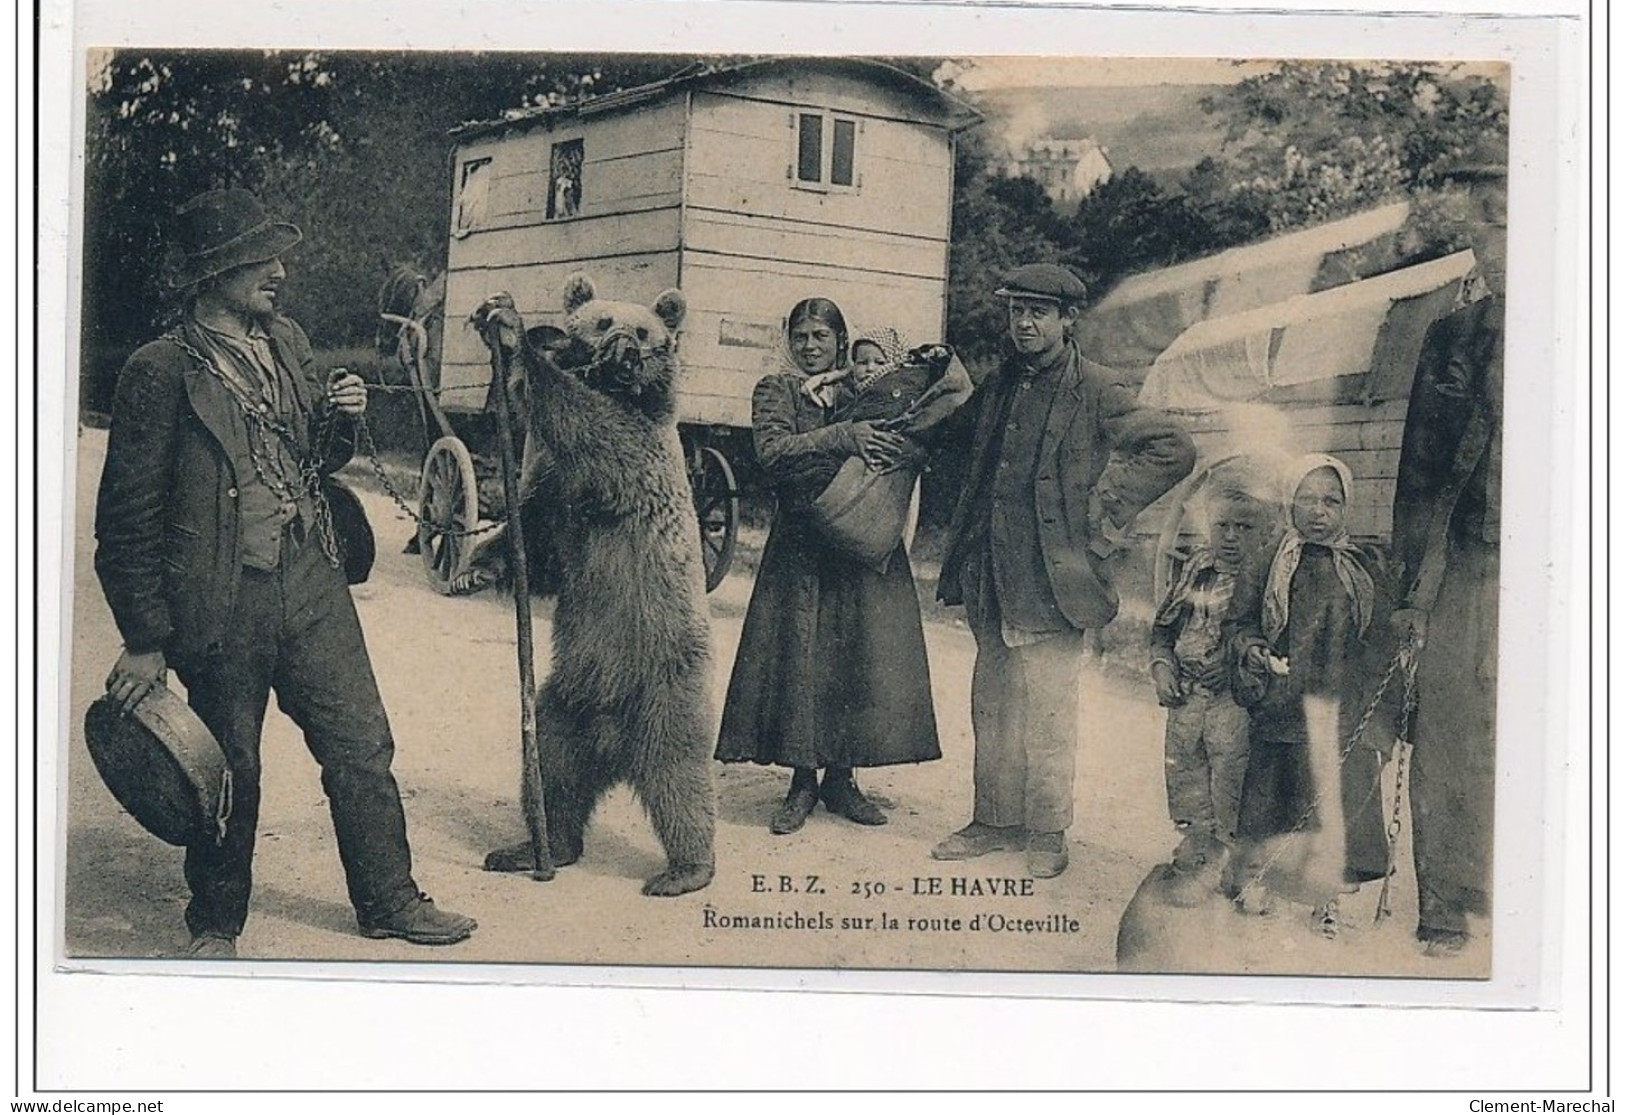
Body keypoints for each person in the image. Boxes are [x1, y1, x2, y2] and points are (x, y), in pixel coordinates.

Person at [94, 188, 476, 957]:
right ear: (214, 272)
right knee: (229, 763)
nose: (278, 270)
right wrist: (145, 637)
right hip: (221, 596)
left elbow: (314, 458)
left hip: (311, 578)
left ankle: (390, 898)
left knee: (361, 744)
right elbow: (125, 521)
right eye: (259, 258)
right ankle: (215, 922)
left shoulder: (288, 341)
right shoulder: (158, 370)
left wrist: (339, 414)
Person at [931, 263, 1197, 879]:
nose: (1023, 323)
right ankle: (994, 820)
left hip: (1056, 580)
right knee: (993, 702)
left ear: (1067, 320)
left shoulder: (1098, 389)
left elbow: (1172, 449)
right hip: (993, 575)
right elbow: (952, 440)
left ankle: (1048, 830)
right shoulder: (1001, 384)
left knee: (1049, 709)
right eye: (1016, 311)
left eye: (1038, 312)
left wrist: (1105, 507)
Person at [715, 299, 956, 834]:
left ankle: (843, 779)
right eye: (800, 336)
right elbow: (774, 452)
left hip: (863, 536)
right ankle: (802, 781)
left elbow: (911, 436)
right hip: (801, 540)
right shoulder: (777, 390)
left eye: (820, 336)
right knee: (800, 654)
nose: (809, 346)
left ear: (840, 341)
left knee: (857, 653)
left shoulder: (864, 386)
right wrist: (844, 437)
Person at [1388, 162, 1507, 956]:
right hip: (1470, 563)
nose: (1485, 244)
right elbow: (1419, 474)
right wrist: (1408, 590)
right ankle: (1448, 903)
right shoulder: (1454, 337)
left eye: (1499, 221)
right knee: (1449, 733)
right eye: (1478, 227)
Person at [1227, 455, 1386, 937]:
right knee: (1276, 799)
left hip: (1341, 708)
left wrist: (1383, 708)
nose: (1319, 511)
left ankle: (1328, 902)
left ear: (1346, 508)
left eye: (1331, 501)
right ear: (1289, 502)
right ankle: (1264, 884)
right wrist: (1254, 650)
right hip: (1283, 701)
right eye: (1307, 499)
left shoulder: (1362, 568)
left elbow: (1378, 643)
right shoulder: (1269, 562)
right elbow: (1240, 623)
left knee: (1333, 804)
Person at [1147, 472, 1277, 902]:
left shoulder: (1268, 583)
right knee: (1185, 767)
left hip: (1233, 699)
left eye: (1245, 528)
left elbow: (1273, 642)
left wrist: (1237, 667)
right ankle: (1196, 846)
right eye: (1223, 525)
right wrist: (1163, 667)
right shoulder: (1196, 568)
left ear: (1265, 531)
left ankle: (1232, 863)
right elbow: (1162, 630)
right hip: (1186, 694)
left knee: (1231, 775)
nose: (1232, 537)